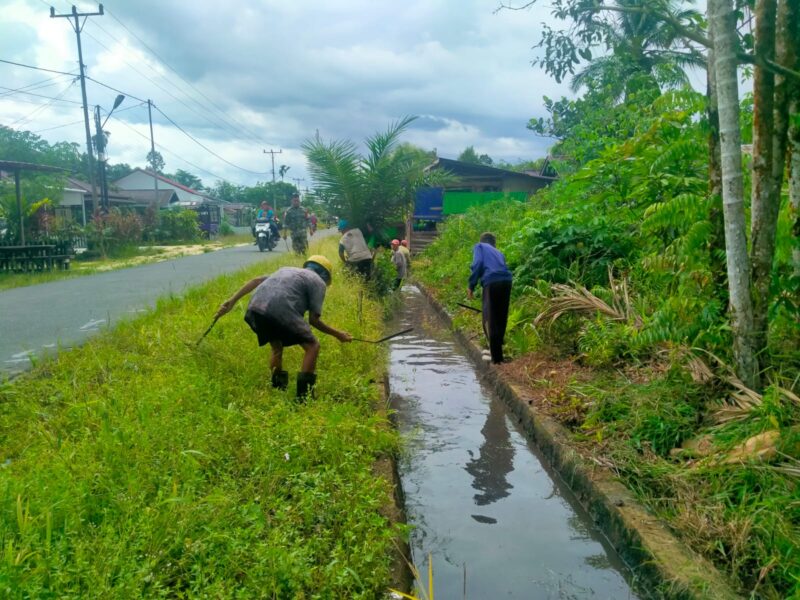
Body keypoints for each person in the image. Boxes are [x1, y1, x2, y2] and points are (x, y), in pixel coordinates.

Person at [214, 255, 352, 399]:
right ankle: (304, 399)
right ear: (325, 275)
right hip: (280, 309)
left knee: (276, 347)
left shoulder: (286, 270)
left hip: (256, 308)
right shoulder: (318, 282)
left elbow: (256, 280)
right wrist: (338, 334)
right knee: (312, 346)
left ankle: (278, 389)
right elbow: (314, 320)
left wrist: (231, 301)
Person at [467, 232, 513, 364]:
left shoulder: (479, 246)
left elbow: (478, 263)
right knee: (501, 317)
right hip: (506, 280)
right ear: (494, 243)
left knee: (489, 318)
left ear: (482, 240)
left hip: (491, 281)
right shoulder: (499, 252)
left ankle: (496, 358)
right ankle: (497, 353)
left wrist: (471, 285)